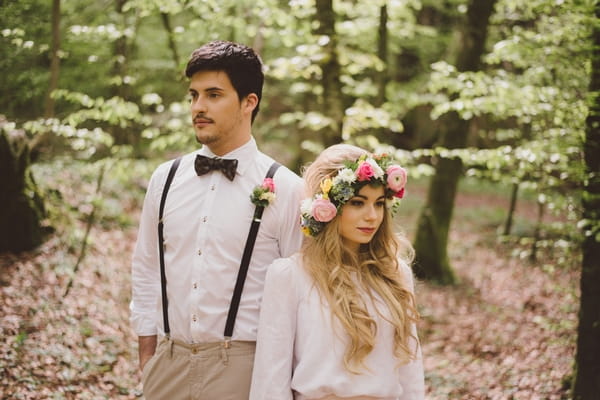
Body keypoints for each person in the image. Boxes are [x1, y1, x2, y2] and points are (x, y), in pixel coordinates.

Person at [130, 40, 304, 399]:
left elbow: (303, 294)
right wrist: (148, 354)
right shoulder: (165, 179)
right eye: (193, 95)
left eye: (213, 95)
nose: (199, 107)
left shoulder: (287, 188)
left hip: (246, 368)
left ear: (248, 102)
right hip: (167, 363)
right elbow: (146, 268)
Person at [250, 144, 425, 400]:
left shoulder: (396, 274)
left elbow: (411, 372)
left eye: (378, 203)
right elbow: (271, 379)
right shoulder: (290, 275)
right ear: (327, 208)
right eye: (357, 202)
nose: (372, 216)